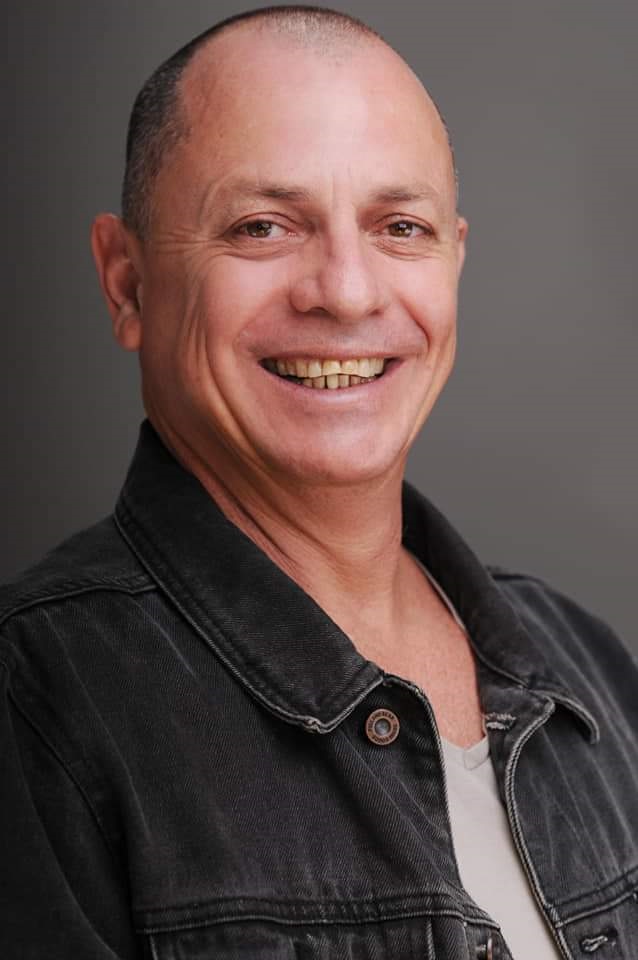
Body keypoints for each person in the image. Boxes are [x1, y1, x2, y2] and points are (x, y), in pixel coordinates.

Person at [1, 6, 636, 959]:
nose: (346, 290)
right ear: (127, 282)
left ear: (454, 260)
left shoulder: (590, 668)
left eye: (400, 227)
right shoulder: (36, 702)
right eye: (262, 226)